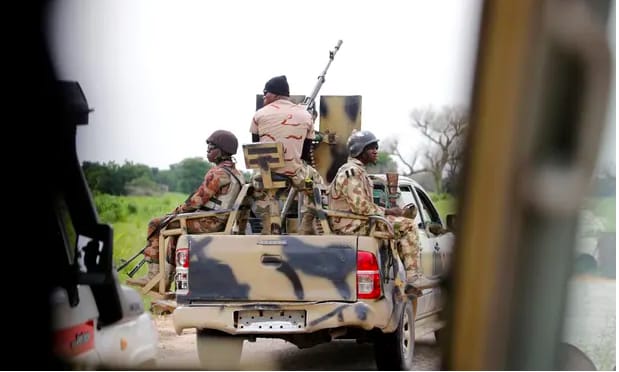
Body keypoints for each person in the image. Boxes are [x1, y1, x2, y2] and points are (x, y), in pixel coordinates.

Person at [127, 129, 245, 288]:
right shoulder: (236, 173)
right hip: (217, 220)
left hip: (209, 222)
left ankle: (153, 276)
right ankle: (166, 279)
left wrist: (177, 211)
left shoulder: (217, 173)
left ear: (222, 151)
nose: (208, 150)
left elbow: (195, 202)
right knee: (174, 229)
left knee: (155, 224)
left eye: (212, 147)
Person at [326, 130, 438, 292]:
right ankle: (414, 278)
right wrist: (389, 212)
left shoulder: (358, 171)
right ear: (360, 150)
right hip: (351, 225)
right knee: (406, 225)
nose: (376, 151)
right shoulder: (351, 172)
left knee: (401, 224)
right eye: (371, 147)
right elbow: (360, 206)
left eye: (376, 147)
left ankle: (408, 279)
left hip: (356, 222)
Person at [249, 75, 324, 234]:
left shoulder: (259, 115)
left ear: (275, 94)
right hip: (295, 174)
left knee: (257, 190)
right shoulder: (306, 116)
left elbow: (256, 148)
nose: (264, 97)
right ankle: (308, 222)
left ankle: (269, 226)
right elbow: (305, 153)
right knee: (317, 182)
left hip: (265, 174)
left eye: (266, 93)